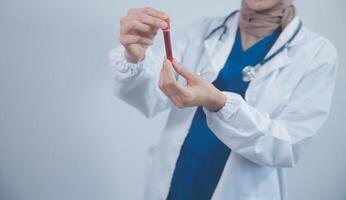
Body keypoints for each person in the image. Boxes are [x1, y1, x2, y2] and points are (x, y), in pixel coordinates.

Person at [110, 0, 338, 199]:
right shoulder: (202, 31)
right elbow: (151, 97)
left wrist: (218, 103)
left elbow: (288, 146)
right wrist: (135, 56)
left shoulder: (317, 54)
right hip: (176, 182)